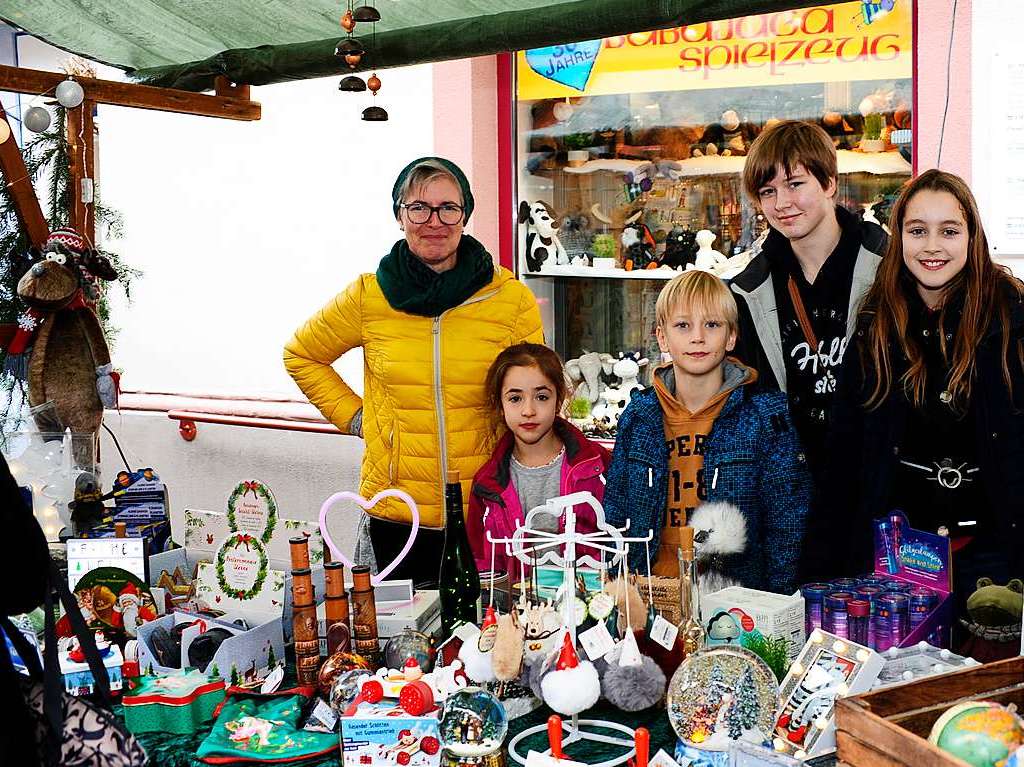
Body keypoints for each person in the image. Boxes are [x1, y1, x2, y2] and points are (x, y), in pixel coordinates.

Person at [284, 157, 543, 587]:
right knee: (395, 643)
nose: (434, 221)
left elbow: (538, 388)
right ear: (399, 215)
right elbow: (302, 355)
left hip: (487, 507)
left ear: (465, 216)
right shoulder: (369, 296)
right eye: (419, 207)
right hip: (396, 515)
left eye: (448, 208)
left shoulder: (508, 298)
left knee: (486, 641)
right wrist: (358, 419)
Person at [822, 170, 1024, 618]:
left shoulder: (1011, 319)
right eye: (917, 231)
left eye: (949, 231)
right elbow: (845, 457)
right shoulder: (876, 322)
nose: (932, 246)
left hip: (995, 559)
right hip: (895, 557)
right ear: (900, 239)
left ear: (972, 237)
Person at [603, 270, 811, 594]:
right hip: (650, 594)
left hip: (736, 601)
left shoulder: (766, 416)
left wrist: (777, 605)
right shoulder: (639, 415)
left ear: (731, 337)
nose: (697, 337)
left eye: (712, 325)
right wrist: (617, 589)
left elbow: (787, 525)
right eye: (683, 325)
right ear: (662, 337)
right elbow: (616, 512)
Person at [730, 120, 886, 484]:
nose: (782, 203)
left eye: (795, 184)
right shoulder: (750, 290)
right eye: (768, 192)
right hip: (789, 486)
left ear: (829, 183)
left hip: (873, 483)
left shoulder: (887, 269)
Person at [466, 343, 611, 580]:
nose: (528, 410)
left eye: (541, 397)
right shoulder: (486, 485)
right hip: (515, 611)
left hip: (591, 608)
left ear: (559, 399)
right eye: (515, 398)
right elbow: (480, 564)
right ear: (499, 405)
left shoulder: (599, 466)